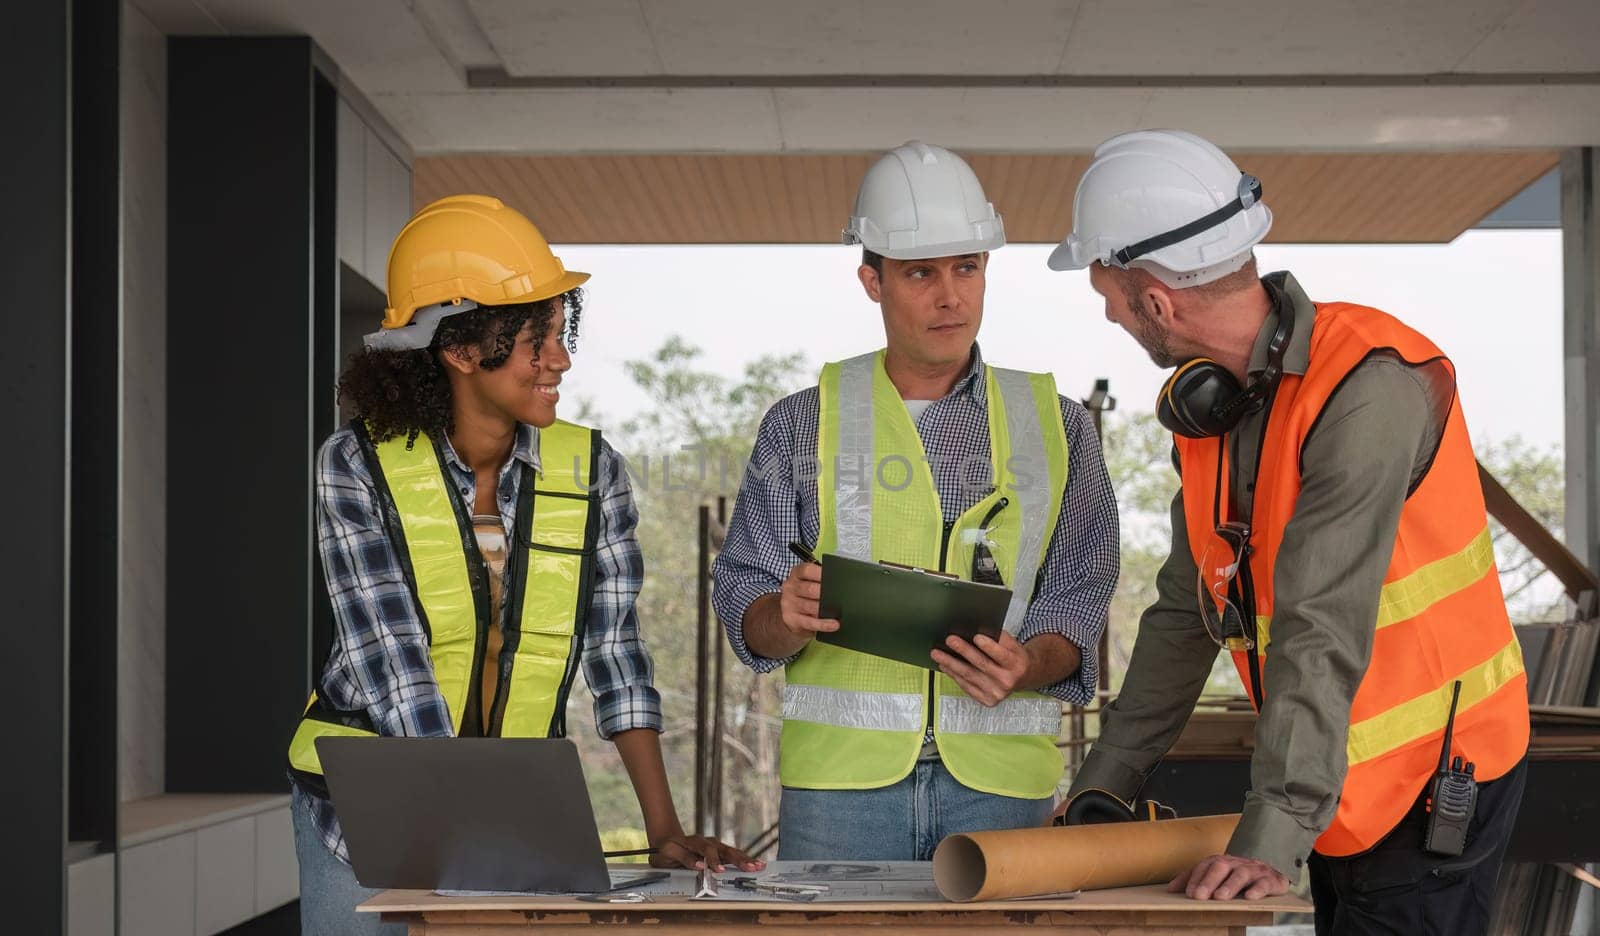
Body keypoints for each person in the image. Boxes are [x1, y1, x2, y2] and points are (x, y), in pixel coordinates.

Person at [1047, 129, 1529, 934]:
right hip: (1339, 784)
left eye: (1109, 294)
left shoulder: (1368, 392)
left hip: (1432, 781)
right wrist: (1109, 779)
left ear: (1156, 300)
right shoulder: (1217, 412)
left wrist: (1272, 833)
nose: (1110, 313)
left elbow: (1320, 622)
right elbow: (1184, 608)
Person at [285, 195, 759, 935]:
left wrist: (663, 828)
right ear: (460, 349)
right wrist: (463, 833)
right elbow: (392, 661)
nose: (560, 359)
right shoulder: (355, 466)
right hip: (363, 804)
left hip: (500, 820)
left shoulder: (592, 470)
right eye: (536, 339)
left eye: (559, 332)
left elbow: (617, 656)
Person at [713, 141, 1120, 861]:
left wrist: (1028, 663)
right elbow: (746, 603)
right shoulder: (801, 423)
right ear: (872, 280)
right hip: (841, 790)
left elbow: (1080, 596)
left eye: (967, 267)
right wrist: (785, 614)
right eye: (920, 272)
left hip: (1001, 786)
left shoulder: (1056, 424)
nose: (950, 296)